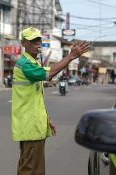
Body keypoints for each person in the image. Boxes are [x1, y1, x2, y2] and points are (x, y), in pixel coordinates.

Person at [11, 27, 90, 175]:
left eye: (39, 39)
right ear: (23, 43)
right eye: (33, 40)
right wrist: (71, 56)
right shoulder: (25, 64)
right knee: (29, 168)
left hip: (35, 123)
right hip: (30, 126)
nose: (38, 43)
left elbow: (35, 99)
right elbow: (50, 73)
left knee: (35, 167)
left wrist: (46, 119)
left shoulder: (32, 63)